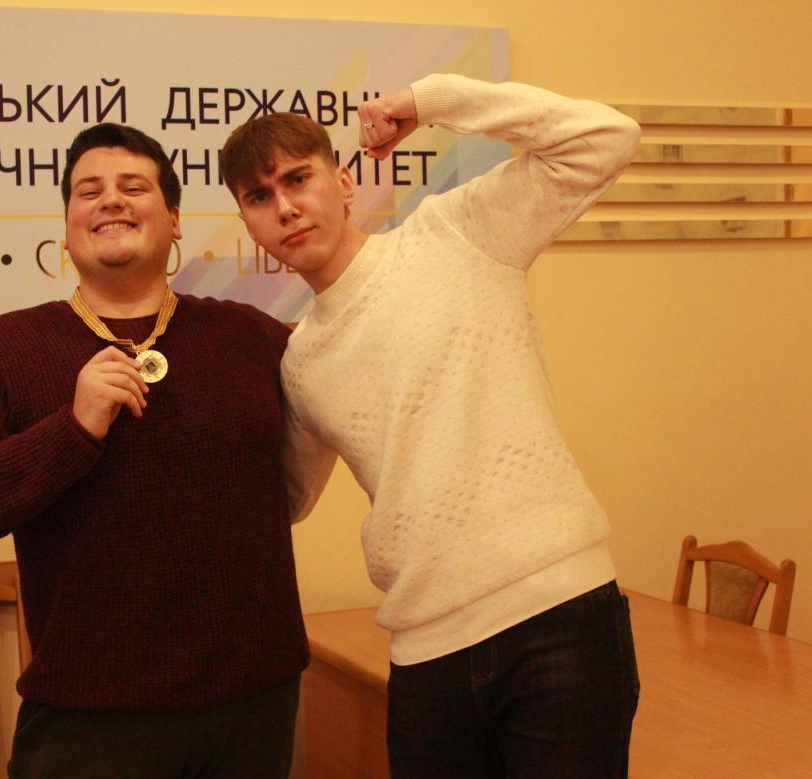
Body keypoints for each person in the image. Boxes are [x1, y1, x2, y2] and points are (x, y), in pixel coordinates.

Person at [219, 73, 642, 777]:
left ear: (344, 183)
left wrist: (433, 99)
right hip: (425, 653)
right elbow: (280, 499)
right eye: (259, 197)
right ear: (248, 223)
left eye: (298, 178)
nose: (286, 207)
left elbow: (607, 138)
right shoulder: (301, 363)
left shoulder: (455, 232)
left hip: (557, 616)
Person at [0, 122, 333, 777]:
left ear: (174, 220)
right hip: (90, 719)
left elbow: (351, 399)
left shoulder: (251, 338)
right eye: (89, 191)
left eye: (133, 187)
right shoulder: (7, 349)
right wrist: (72, 429)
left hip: (253, 706)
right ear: (68, 227)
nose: (110, 200)